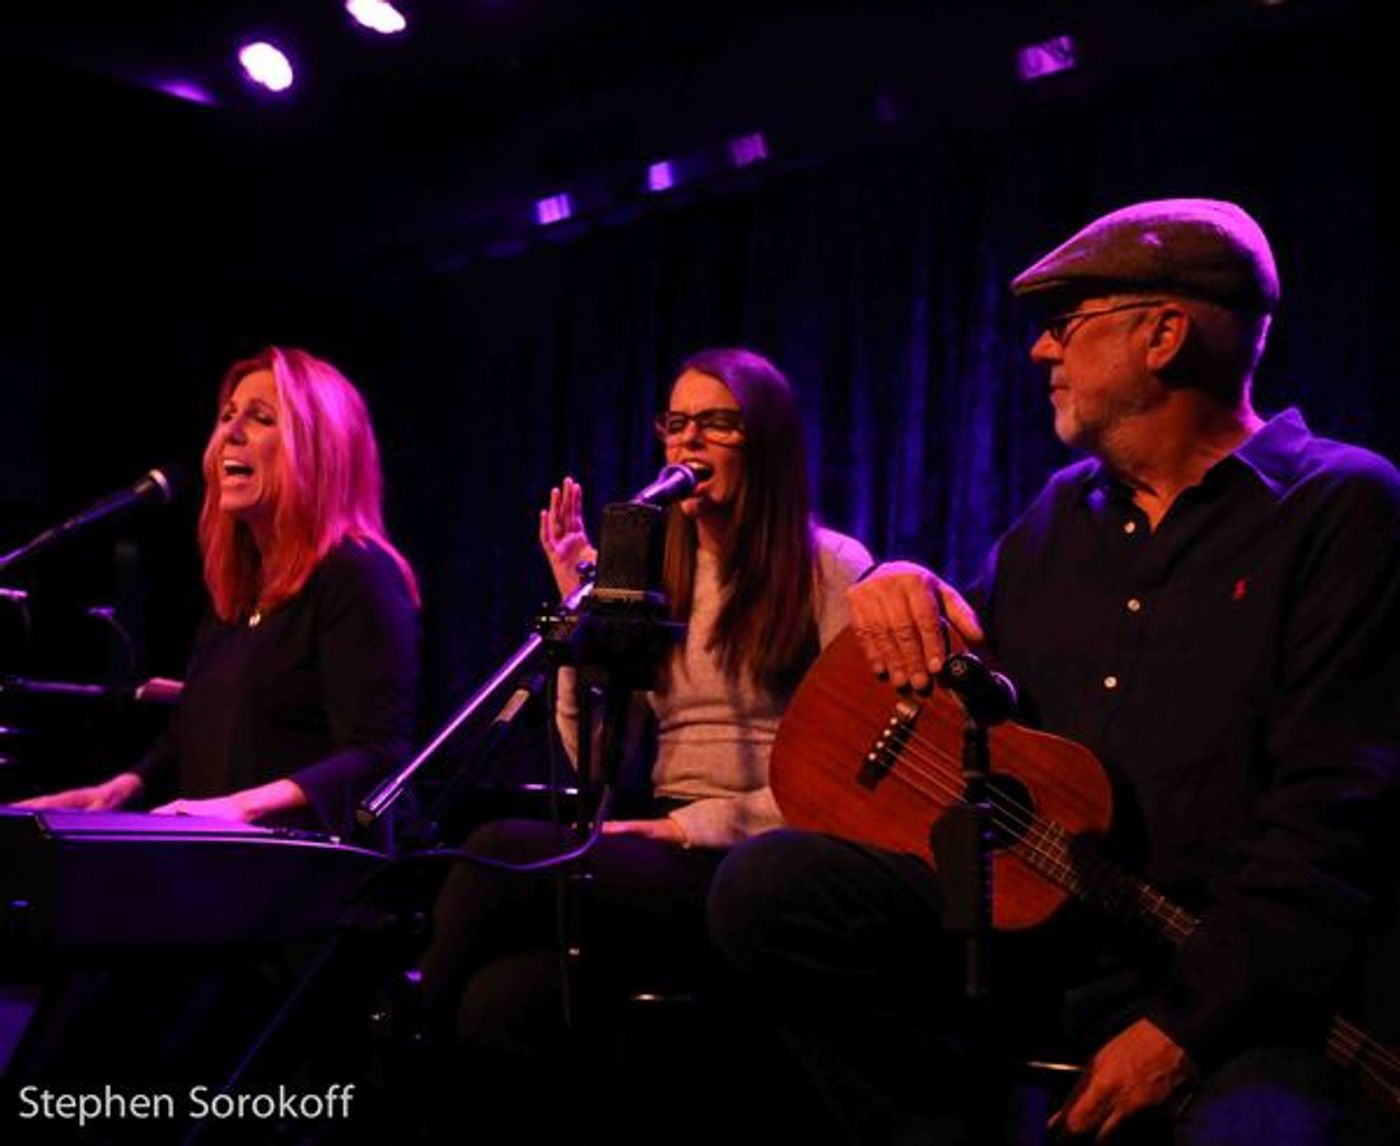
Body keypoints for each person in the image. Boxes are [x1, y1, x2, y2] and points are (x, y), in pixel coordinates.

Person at [706, 200, 1400, 1143]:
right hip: (1048, 939)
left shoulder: (1341, 506)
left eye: (1067, 324)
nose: (1040, 353)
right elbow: (967, 684)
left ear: (1163, 335)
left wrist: (1177, 1031)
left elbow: (1329, 824)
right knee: (771, 890)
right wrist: (902, 585)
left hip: (1241, 984)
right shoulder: (1057, 517)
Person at [417, 348, 872, 1133]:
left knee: (497, 847)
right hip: (656, 842)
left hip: (758, 855)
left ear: (763, 440)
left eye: (716, 424)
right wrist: (580, 621)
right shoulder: (657, 570)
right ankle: (424, 1066)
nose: (689, 443)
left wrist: (692, 828)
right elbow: (592, 762)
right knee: (498, 1006)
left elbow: (849, 776)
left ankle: (398, 1063)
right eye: (676, 424)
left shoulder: (832, 569)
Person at [19, 346, 421, 839]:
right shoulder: (238, 591)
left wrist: (242, 808)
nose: (229, 433)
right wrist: (121, 788)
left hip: (305, 882)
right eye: (228, 415)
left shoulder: (358, 573)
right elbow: (192, 736)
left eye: (261, 419)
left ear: (319, 448)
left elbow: (377, 753)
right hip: (219, 868)